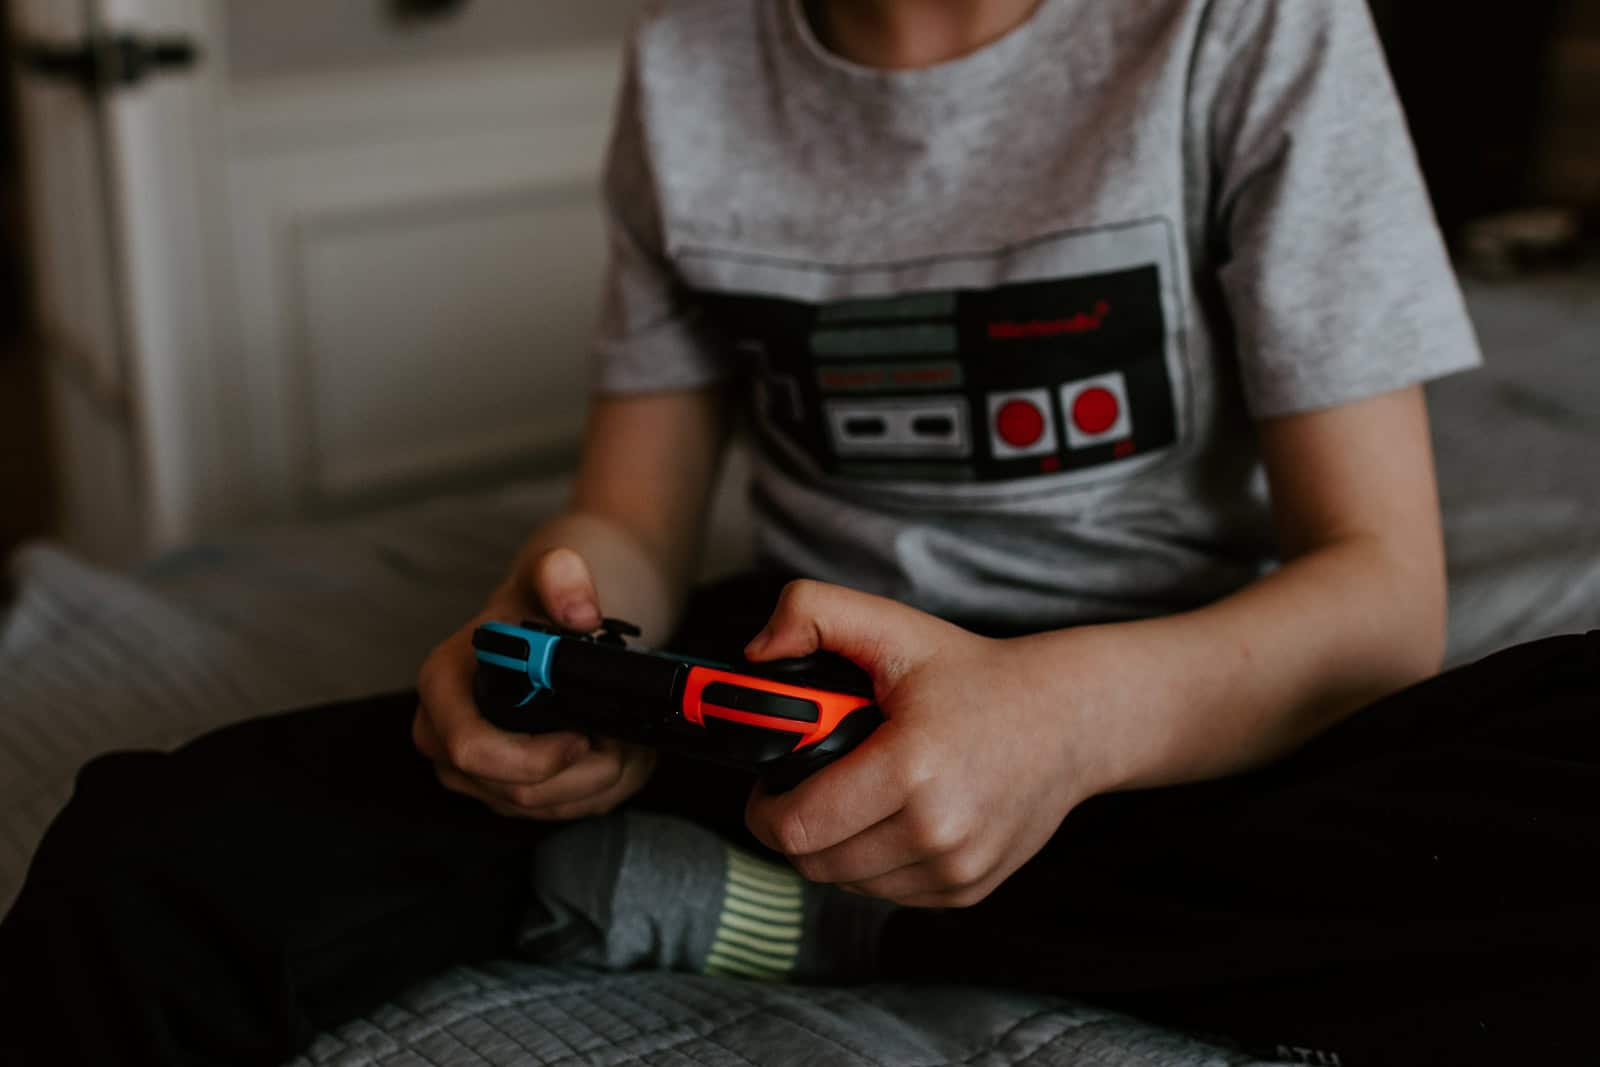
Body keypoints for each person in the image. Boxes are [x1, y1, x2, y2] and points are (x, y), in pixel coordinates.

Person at [3, 1, 1597, 1064]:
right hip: (784, 696)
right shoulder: (694, 58)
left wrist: (1054, 722)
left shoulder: (1252, 29)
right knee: (147, 843)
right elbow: (628, 513)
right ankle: (854, 878)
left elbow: (1381, 604)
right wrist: (556, 632)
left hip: (1166, 712)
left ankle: (817, 905)